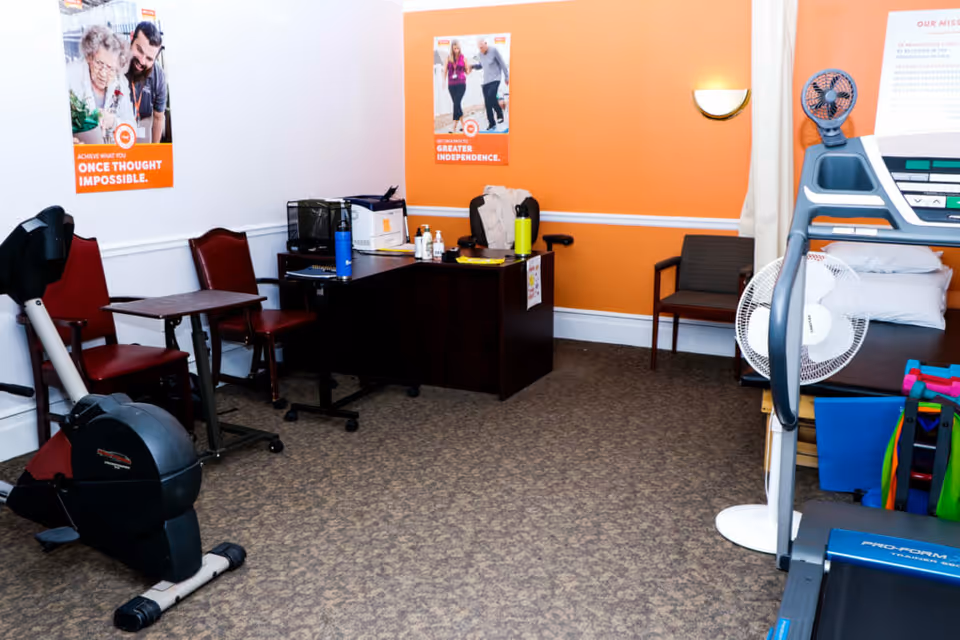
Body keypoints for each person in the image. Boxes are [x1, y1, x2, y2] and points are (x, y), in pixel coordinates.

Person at [66, 25, 136, 144]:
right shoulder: (70, 75)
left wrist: (113, 122)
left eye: (110, 69)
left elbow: (132, 129)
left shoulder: (121, 83)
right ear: (89, 56)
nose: (103, 74)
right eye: (99, 64)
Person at [126, 21, 168, 143]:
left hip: (143, 133)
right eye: (139, 50)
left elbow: (158, 117)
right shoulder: (115, 63)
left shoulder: (158, 75)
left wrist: (154, 151)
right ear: (131, 36)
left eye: (149, 58)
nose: (142, 61)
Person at [474, 37, 509, 131]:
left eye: (482, 47)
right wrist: (473, 66)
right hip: (486, 81)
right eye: (479, 48)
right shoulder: (480, 54)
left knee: (491, 95)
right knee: (487, 103)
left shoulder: (494, 50)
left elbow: (502, 63)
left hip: (495, 78)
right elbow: (481, 65)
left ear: (485, 44)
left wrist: (507, 76)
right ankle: (491, 123)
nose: (481, 49)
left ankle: (499, 113)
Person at [443, 39, 471, 133]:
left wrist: (470, 69)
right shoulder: (448, 58)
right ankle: (464, 125)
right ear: (452, 48)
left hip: (461, 84)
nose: (457, 50)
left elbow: (467, 71)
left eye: (458, 48)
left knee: (456, 103)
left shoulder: (463, 58)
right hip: (451, 85)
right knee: (457, 105)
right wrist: (443, 81)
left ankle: (453, 127)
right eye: (455, 48)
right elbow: (445, 71)